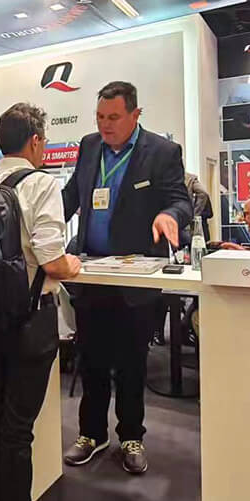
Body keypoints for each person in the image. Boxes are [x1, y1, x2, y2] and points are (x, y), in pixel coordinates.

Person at [0, 103, 82, 501]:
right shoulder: (41, 184)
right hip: (28, 320)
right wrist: (74, 264)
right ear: (36, 141)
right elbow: (53, 259)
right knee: (16, 432)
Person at [61, 81, 192, 475]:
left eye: (114, 117)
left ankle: (132, 436)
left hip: (136, 278)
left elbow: (180, 200)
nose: (105, 124)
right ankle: (91, 434)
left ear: (136, 115)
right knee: (93, 361)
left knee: (132, 363)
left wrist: (169, 215)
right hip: (92, 275)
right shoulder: (89, 146)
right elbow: (71, 196)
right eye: (100, 117)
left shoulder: (162, 152)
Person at [184, 172, 213, 242]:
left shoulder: (163, 179)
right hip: (190, 227)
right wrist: (195, 215)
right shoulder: (189, 178)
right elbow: (203, 194)